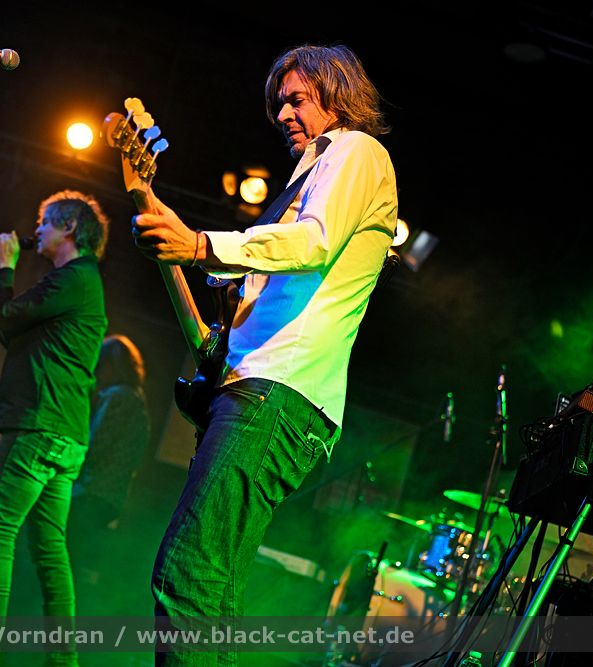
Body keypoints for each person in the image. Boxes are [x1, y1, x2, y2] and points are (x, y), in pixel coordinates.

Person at [130, 44, 398, 664]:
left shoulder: (356, 151)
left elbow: (313, 242)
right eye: (279, 103)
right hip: (264, 391)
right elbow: (237, 309)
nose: (281, 114)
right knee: (212, 587)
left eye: (296, 99)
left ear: (337, 94)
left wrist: (200, 244)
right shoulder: (309, 175)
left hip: (278, 392)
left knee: (188, 573)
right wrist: (176, 239)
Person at [0, 190, 108, 667]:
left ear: (69, 227)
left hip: (39, 427)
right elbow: (9, 325)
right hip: (61, 432)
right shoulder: (78, 283)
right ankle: (63, 661)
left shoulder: (74, 278)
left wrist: (6, 270)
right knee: (49, 549)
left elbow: (9, 318)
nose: (37, 230)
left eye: (44, 222)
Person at [69, 334, 150, 594]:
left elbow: (96, 444)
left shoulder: (118, 396)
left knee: (65, 560)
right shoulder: (138, 402)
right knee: (79, 566)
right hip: (110, 498)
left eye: (100, 364)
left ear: (111, 365)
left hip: (90, 492)